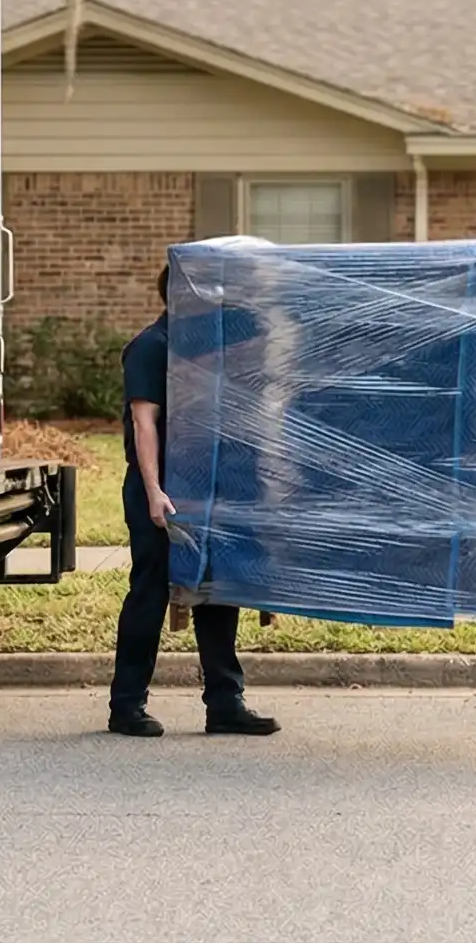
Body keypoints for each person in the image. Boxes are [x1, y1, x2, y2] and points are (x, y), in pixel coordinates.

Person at [109, 263, 279, 739]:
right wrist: (154, 492)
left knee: (216, 593)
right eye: (206, 297)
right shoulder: (151, 347)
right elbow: (145, 425)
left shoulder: (206, 350)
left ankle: (225, 703)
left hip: (210, 488)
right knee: (150, 592)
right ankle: (126, 706)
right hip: (163, 491)